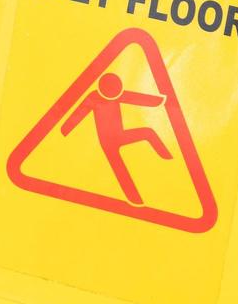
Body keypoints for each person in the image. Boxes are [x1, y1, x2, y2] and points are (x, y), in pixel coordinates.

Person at [59, 72, 170, 205]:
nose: (113, 92)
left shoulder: (119, 95)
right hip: (106, 141)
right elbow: (79, 113)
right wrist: (65, 129)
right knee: (119, 168)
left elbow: (136, 98)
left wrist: (160, 101)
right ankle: (135, 200)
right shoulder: (93, 98)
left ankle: (168, 158)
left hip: (120, 134)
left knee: (148, 132)